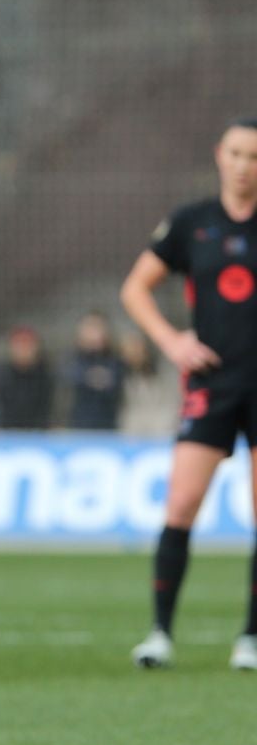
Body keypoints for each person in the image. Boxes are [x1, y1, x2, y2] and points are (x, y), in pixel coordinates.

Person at [121, 116, 257, 671]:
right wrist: (172, 341)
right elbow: (135, 288)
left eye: (254, 156)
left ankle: (250, 638)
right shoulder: (191, 223)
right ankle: (159, 634)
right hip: (211, 384)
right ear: (218, 156)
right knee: (181, 505)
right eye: (237, 154)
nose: (245, 165)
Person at [64, 312, 125, 432]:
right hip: (76, 429)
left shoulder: (116, 361)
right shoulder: (70, 361)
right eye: (90, 328)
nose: (94, 334)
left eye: (98, 328)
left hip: (110, 430)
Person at [0, 326, 54, 429]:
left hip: (39, 434)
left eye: (27, 346)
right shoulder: (0, 376)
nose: (23, 350)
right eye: (19, 346)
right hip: (7, 434)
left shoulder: (47, 377)